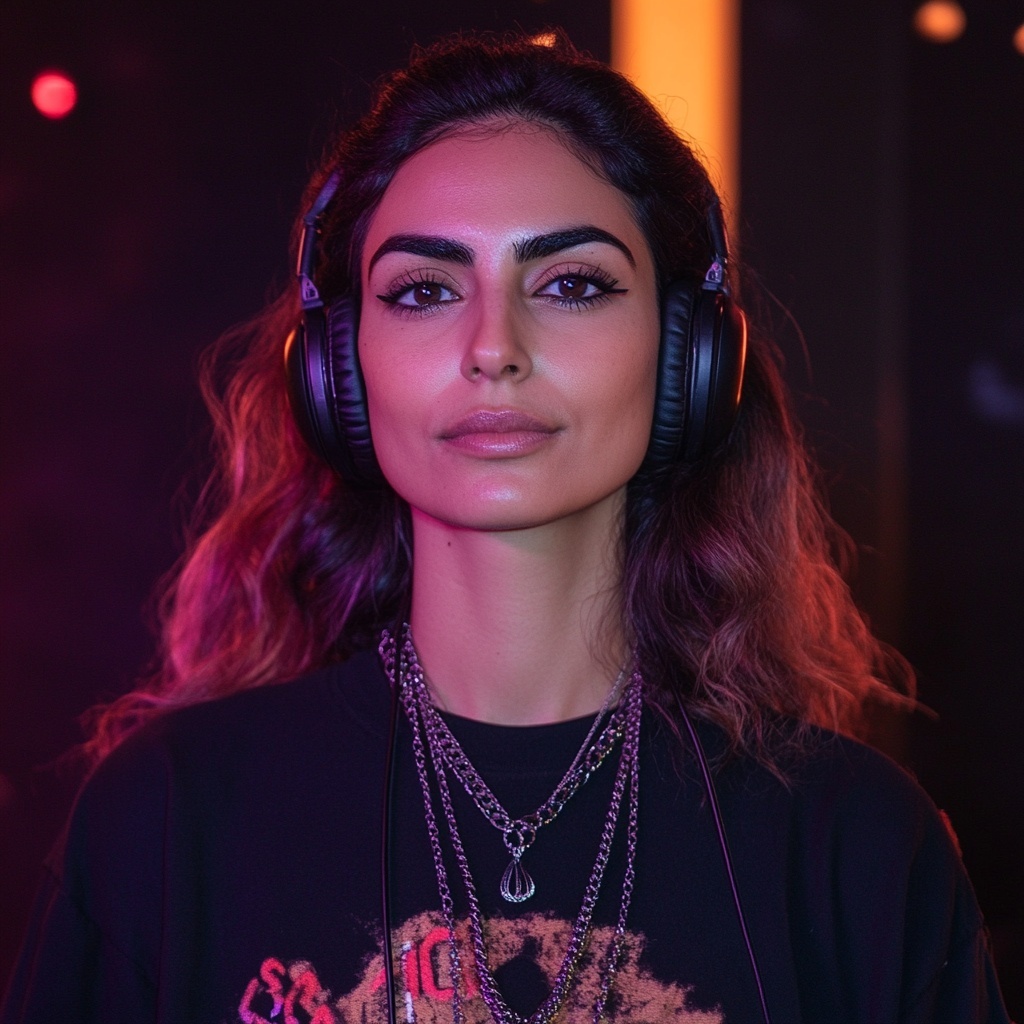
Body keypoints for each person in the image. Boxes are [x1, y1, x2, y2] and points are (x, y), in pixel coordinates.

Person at [1, 31, 1009, 1024]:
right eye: (424, 291)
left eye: (571, 284)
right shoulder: (169, 818)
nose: (493, 347)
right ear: (339, 372)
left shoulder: (854, 846)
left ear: (687, 360)